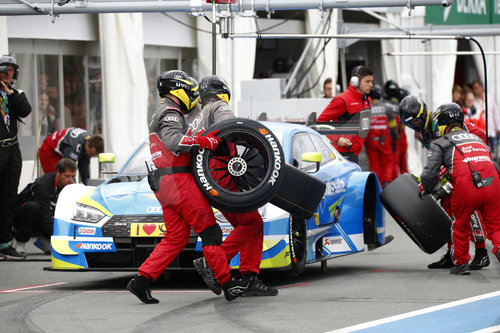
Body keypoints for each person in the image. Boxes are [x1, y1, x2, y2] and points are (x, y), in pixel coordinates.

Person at [127, 70, 248, 304]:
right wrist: (206, 141)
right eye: (190, 91)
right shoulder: (171, 112)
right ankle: (228, 284)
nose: (193, 96)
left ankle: (141, 280)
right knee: (210, 232)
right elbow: (174, 141)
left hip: (163, 183)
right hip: (178, 180)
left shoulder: (160, 111)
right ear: (178, 90)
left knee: (177, 237)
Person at [190, 75, 278, 297]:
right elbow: (230, 126)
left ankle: (249, 277)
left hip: (207, 177)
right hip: (222, 175)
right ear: (222, 93)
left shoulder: (198, 116)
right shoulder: (219, 106)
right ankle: (215, 263)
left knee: (252, 222)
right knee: (252, 223)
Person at [400, 96, 490, 270]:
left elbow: (479, 136)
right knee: (447, 210)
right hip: (450, 170)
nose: (416, 125)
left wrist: (480, 155)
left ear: (424, 112)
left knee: (470, 210)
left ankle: (481, 253)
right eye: (412, 124)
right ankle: (453, 254)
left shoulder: (444, 121)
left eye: (418, 120)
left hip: (469, 167)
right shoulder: (419, 133)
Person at [420, 103, 500, 274]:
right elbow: (487, 154)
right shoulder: (477, 138)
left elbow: (430, 173)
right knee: (496, 225)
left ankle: (461, 262)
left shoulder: (440, 142)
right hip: (492, 181)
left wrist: (425, 189)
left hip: (466, 184)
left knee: (460, 224)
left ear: (441, 124)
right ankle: (499, 245)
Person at [0, 55, 32, 260]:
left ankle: (4, 242)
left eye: (12, 69)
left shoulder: (15, 94)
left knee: (8, 197)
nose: (8, 72)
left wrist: (9, 91)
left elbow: (25, 110)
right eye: (4, 68)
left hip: (12, 149)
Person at [12, 158, 77, 257]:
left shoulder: (70, 185)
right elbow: (45, 215)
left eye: (73, 176)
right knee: (33, 207)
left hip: (43, 216)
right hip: (21, 217)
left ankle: (43, 239)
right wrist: (61, 238)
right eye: (67, 176)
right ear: (58, 173)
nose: (70, 180)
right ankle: (20, 242)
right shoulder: (43, 185)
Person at [317, 66, 374, 164]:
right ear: (355, 81)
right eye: (367, 81)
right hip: (342, 154)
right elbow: (320, 123)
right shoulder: (342, 100)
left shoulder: (367, 101)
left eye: (371, 81)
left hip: (356, 152)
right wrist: (337, 139)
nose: (371, 85)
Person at [38, 127, 103, 185]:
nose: (91, 156)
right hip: (49, 150)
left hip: (62, 148)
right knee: (59, 177)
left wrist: (87, 185)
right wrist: (73, 187)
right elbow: (68, 169)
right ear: (87, 144)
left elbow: (84, 167)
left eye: (93, 155)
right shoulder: (73, 146)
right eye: (91, 153)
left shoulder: (90, 141)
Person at [364, 84, 398, 188]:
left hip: (371, 141)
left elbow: (363, 128)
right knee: (388, 162)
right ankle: (387, 181)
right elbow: (393, 126)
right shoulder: (387, 109)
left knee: (374, 165)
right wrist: (395, 140)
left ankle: (377, 185)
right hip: (385, 140)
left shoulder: (366, 109)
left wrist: (364, 142)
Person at [384, 80, 408, 180]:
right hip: (400, 135)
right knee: (403, 166)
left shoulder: (384, 104)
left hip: (391, 137)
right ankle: (407, 184)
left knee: (392, 164)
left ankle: (393, 186)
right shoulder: (402, 103)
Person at [471, 80, 500, 152]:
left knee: (491, 153)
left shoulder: (489, 98)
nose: (475, 90)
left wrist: (498, 127)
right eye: (473, 88)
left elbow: (495, 113)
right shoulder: (473, 101)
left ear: (481, 87)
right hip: (480, 133)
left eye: (476, 88)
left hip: (491, 132)